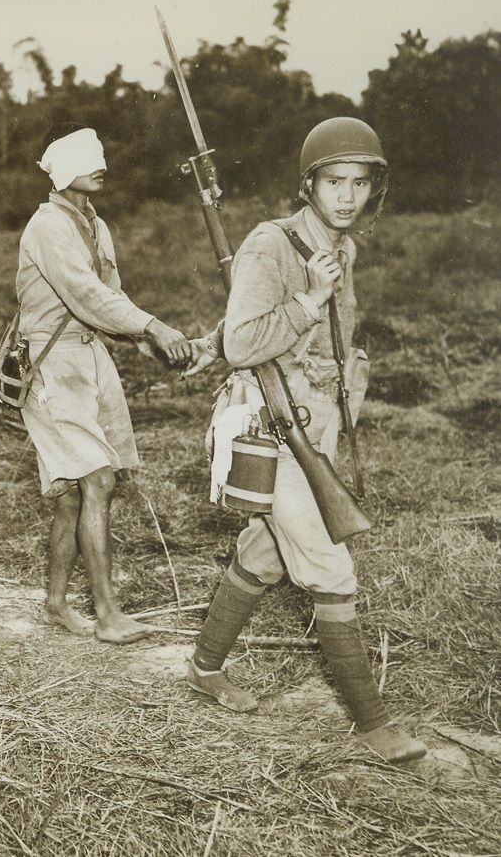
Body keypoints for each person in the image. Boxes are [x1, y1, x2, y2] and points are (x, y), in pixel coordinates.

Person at [185, 117, 426, 764]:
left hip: (313, 426)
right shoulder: (274, 243)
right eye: (334, 181)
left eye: (360, 183)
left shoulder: (341, 246)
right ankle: (373, 726)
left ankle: (205, 668)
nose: (347, 195)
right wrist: (310, 302)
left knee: (266, 552)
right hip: (271, 426)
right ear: (309, 183)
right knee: (330, 567)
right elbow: (241, 342)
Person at [17, 123, 192, 642]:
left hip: (89, 359)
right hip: (53, 364)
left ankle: (54, 602)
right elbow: (87, 294)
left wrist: (150, 342)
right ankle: (107, 613)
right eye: (90, 160)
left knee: (74, 492)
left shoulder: (95, 224)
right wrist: (153, 326)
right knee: (98, 480)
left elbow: (111, 300)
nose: (103, 167)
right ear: (65, 170)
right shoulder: (48, 227)